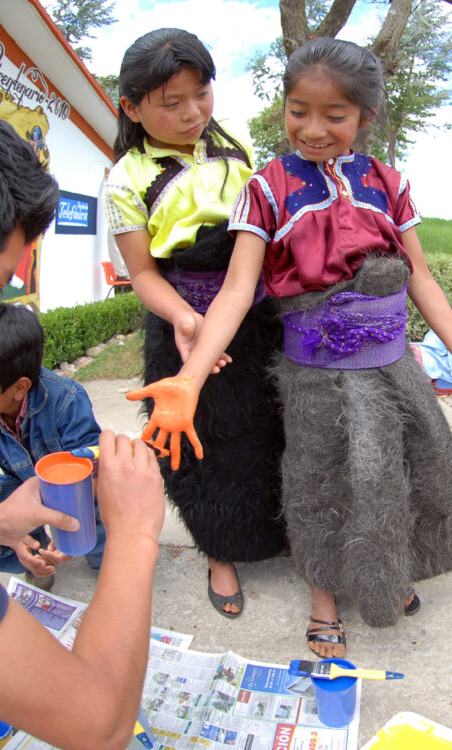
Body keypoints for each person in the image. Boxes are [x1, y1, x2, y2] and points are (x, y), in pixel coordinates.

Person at [129, 37, 452, 657]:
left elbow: (420, 278)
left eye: (334, 115)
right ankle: (324, 601)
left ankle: (390, 569)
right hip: (315, 376)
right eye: (297, 110)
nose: (312, 128)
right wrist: (190, 378)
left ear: (365, 117)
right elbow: (235, 291)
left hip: (391, 369)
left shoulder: (390, 184)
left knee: (399, 474)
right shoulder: (268, 187)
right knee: (320, 488)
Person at [0, 115, 166, 750]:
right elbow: (101, 727)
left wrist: (3, 524)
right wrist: (139, 532)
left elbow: (86, 445)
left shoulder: (59, 399)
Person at [103, 28, 286, 617]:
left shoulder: (234, 154)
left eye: (201, 94)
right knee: (198, 443)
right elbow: (143, 273)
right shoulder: (126, 178)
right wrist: (187, 319)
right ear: (132, 107)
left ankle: (269, 534)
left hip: (255, 320)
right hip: (182, 324)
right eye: (171, 103)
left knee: (265, 431)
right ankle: (219, 552)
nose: (193, 114)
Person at [0, 303, 105, 591]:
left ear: (19, 388)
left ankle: (95, 551)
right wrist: (7, 531)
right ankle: (33, 552)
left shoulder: (66, 399)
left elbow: (92, 472)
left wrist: (68, 522)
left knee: (103, 552)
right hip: (21, 483)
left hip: (77, 490)